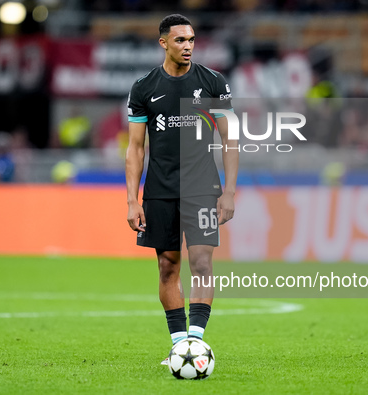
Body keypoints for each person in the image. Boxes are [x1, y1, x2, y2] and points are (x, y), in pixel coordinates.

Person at [125, 14, 238, 363]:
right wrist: (132, 200)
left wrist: (230, 191)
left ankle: (196, 341)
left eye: (191, 40)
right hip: (160, 188)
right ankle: (179, 344)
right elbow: (135, 148)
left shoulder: (213, 82)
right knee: (167, 266)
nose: (187, 46)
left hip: (202, 187)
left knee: (201, 262)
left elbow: (229, 137)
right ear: (164, 43)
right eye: (180, 41)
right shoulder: (145, 88)